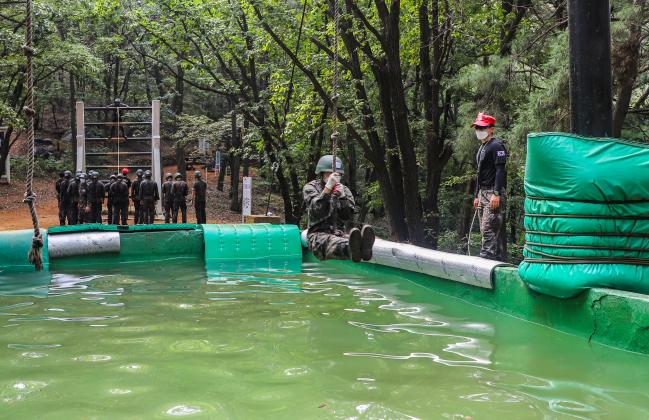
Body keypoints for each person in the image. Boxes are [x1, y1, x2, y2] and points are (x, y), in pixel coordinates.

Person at [303, 155, 374, 262]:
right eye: (329, 173)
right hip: (318, 236)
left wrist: (342, 198)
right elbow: (316, 210)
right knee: (333, 242)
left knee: (347, 239)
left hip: (339, 233)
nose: (334, 176)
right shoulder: (311, 187)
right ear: (322, 173)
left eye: (338, 174)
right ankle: (353, 250)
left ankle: (364, 249)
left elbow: (347, 216)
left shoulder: (344, 190)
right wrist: (327, 190)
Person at [471, 112, 508, 261]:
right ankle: (497, 261)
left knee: (488, 230)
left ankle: (485, 262)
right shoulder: (482, 147)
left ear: (491, 128)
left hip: (494, 192)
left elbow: (500, 170)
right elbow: (479, 172)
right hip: (482, 193)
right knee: (485, 231)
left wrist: (497, 193)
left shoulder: (496, 145)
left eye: (482, 127)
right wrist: (476, 195)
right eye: (477, 127)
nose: (479, 130)